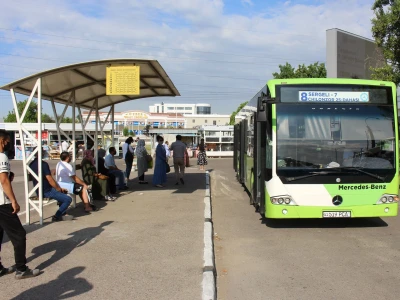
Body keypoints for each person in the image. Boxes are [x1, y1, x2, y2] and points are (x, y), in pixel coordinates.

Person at [0, 130, 39, 279]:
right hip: (2, 204)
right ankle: (21, 269)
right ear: (3, 141)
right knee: (19, 235)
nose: (8, 144)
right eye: (8, 141)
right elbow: (3, 180)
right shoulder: (2, 156)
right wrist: (14, 201)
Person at [29, 148, 73, 221]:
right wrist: (58, 189)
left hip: (38, 190)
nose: (43, 153)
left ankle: (63, 212)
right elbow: (49, 179)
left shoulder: (31, 164)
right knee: (68, 199)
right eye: (42, 151)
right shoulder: (44, 164)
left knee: (62, 192)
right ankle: (57, 216)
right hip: (47, 191)